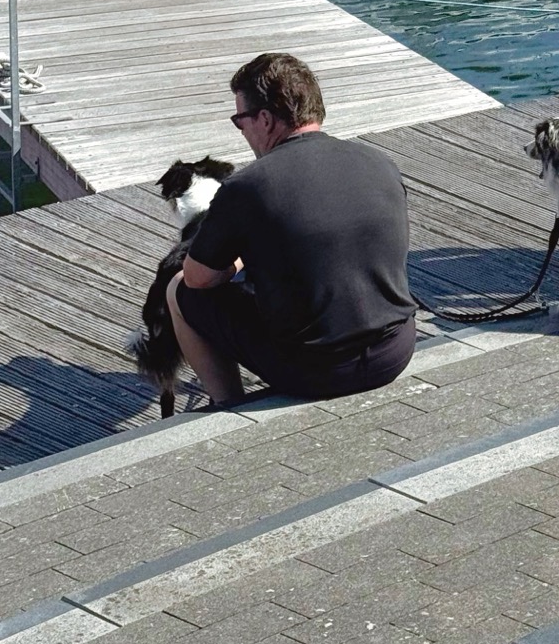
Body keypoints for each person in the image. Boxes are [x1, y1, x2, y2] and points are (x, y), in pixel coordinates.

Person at [165, 52, 415, 405]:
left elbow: (198, 277)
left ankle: (227, 405)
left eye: (240, 121)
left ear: (265, 119)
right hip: (395, 352)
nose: (242, 132)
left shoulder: (247, 186)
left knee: (178, 291)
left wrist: (238, 259)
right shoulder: (378, 161)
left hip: (316, 371)